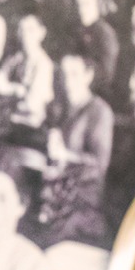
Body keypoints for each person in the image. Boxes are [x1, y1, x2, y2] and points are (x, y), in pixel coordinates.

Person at [40, 52, 114, 243]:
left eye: (74, 74)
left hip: (82, 199)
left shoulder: (99, 111)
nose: (67, 81)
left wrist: (64, 155)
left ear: (88, 76)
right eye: (63, 74)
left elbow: (99, 165)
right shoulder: (59, 107)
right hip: (55, 191)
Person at [0, 13, 54, 133]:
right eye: (21, 30)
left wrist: (6, 93)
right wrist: (16, 90)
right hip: (12, 120)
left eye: (30, 30)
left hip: (32, 127)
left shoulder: (43, 64)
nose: (25, 35)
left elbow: (32, 104)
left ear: (41, 33)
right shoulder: (16, 59)